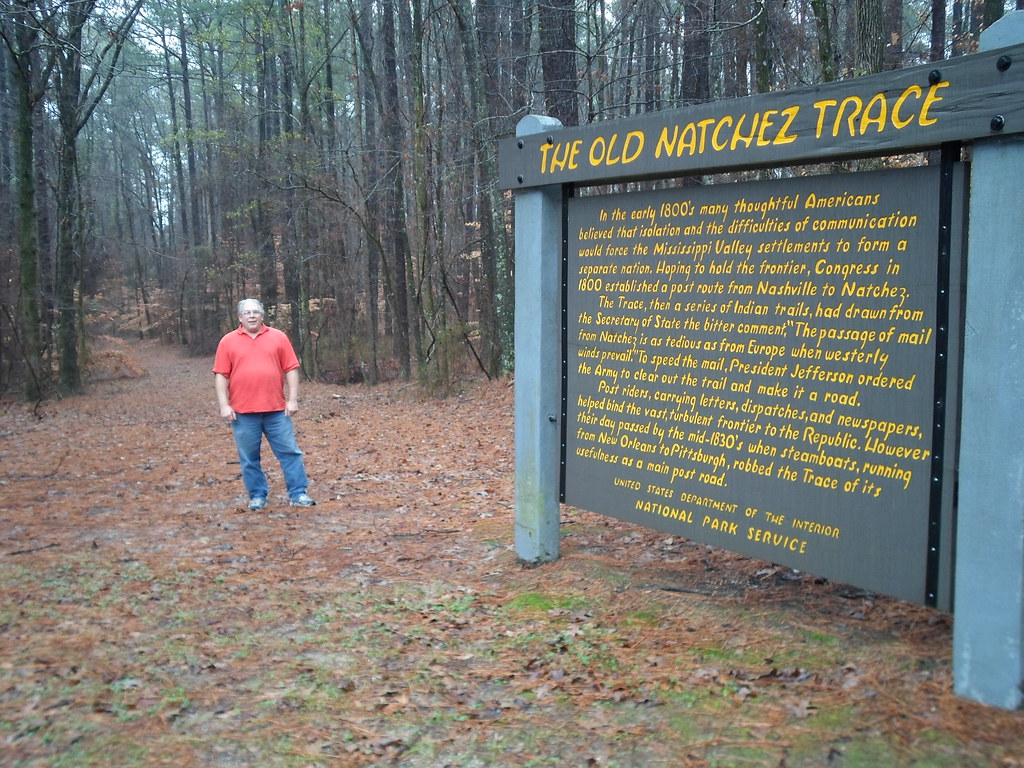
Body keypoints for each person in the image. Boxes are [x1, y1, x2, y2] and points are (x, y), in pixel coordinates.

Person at [214, 298, 316, 510]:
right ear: (240, 317)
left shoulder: (278, 337)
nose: (252, 316)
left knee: (290, 453)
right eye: (247, 312)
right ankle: (257, 496)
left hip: (277, 411)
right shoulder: (227, 341)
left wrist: (293, 400)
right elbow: (221, 375)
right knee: (249, 458)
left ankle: (298, 493)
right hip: (243, 412)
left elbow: (291, 368)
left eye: (255, 312)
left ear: (262, 315)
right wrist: (224, 405)